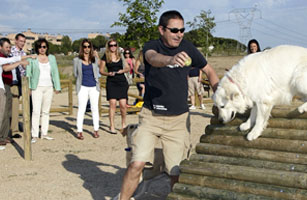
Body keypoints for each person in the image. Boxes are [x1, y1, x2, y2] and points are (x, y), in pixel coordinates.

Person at [117, 10, 220, 200]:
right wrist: (170, 60)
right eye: (174, 30)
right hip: (151, 117)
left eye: (182, 30)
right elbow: (152, 58)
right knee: (136, 164)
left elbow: (209, 70)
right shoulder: (152, 46)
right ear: (161, 29)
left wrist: (219, 90)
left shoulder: (188, 47)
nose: (179, 34)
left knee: (176, 172)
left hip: (178, 121)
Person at [26, 39, 62, 143]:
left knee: (46, 111)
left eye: (44, 47)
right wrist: (29, 87)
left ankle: (44, 133)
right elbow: (29, 73)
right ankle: (34, 134)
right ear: (37, 48)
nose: (42, 49)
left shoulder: (52, 58)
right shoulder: (33, 58)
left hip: (49, 86)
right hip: (36, 87)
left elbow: (55, 72)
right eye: (40, 47)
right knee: (36, 111)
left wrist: (57, 87)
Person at [100, 39, 130, 134]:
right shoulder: (105, 56)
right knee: (112, 104)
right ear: (108, 46)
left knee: (123, 105)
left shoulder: (121, 55)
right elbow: (101, 70)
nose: (113, 47)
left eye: (114, 45)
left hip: (121, 81)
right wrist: (108, 73)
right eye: (111, 45)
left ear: (117, 46)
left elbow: (128, 68)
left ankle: (123, 124)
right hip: (111, 81)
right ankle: (112, 126)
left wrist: (122, 71)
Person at [73, 39, 101, 139]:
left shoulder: (94, 59)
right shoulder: (77, 60)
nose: (87, 48)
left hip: (94, 86)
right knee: (81, 109)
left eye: (89, 46)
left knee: (94, 108)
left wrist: (97, 56)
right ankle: (79, 131)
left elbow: (100, 68)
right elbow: (75, 74)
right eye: (85, 46)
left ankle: (96, 130)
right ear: (82, 48)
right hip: (83, 86)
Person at [9, 33, 27, 133]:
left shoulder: (24, 53)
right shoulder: (11, 51)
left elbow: (25, 68)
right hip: (13, 81)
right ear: (15, 41)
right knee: (13, 105)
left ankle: (17, 126)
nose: (22, 43)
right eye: (21, 41)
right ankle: (13, 128)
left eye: (24, 41)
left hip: (22, 81)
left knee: (19, 105)